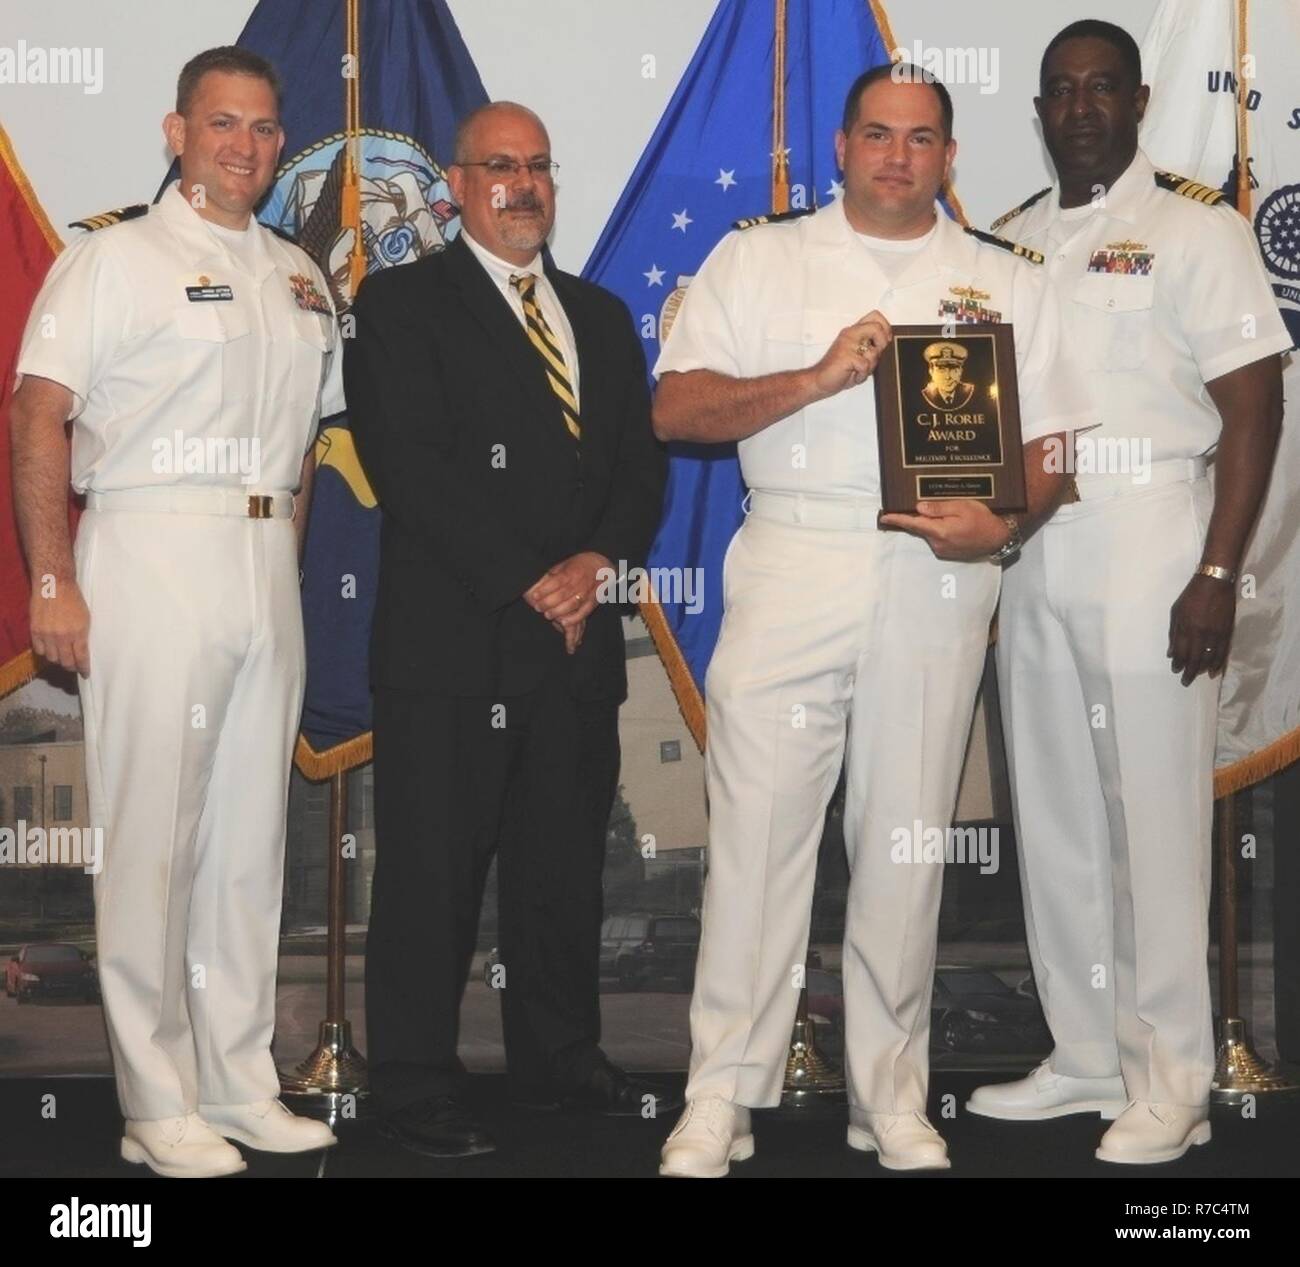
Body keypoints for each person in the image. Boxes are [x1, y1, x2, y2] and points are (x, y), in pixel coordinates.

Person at [652, 65, 1089, 1178]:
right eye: (879, 136)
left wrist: (997, 525)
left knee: (903, 843)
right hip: (797, 555)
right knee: (754, 839)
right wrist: (809, 378)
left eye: (923, 139)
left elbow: (1059, 449)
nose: (899, 156)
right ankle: (720, 1096)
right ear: (841, 146)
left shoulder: (1003, 279)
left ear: (949, 157)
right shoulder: (761, 258)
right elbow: (676, 405)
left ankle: (889, 1096)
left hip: (941, 573)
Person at [11, 46, 341, 1177]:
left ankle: (237, 1084)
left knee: (249, 845)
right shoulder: (115, 260)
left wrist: (277, 570)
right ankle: (155, 1104)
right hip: (150, 545)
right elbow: (40, 414)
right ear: (175, 131)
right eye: (221, 124)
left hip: (261, 558)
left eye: (261, 127)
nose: (243, 145)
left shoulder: (302, 275)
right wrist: (53, 580)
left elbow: (306, 451)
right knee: (153, 841)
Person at [967, 20, 1289, 1165]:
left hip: (1154, 531)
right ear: (1041, 110)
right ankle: (1086, 1055)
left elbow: (1254, 403)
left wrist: (1216, 569)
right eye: (1061, 90)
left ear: (1140, 100)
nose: (1081, 106)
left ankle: (1174, 1079)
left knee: (1150, 820)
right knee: (1054, 815)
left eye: (1103, 86)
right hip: (1036, 542)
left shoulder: (1195, 229)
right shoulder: (1003, 242)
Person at [344, 101, 668, 1159]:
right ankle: (410, 1081)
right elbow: (414, 470)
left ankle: (560, 1060)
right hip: (453, 651)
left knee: (561, 879)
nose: (522, 183)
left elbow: (639, 469)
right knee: (431, 882)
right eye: (499, 166)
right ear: (456, 182)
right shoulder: (398, 306)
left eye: (537, 166)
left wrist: (594, 564)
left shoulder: (602, 316)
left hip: (575, 656)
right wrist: (534, 578)